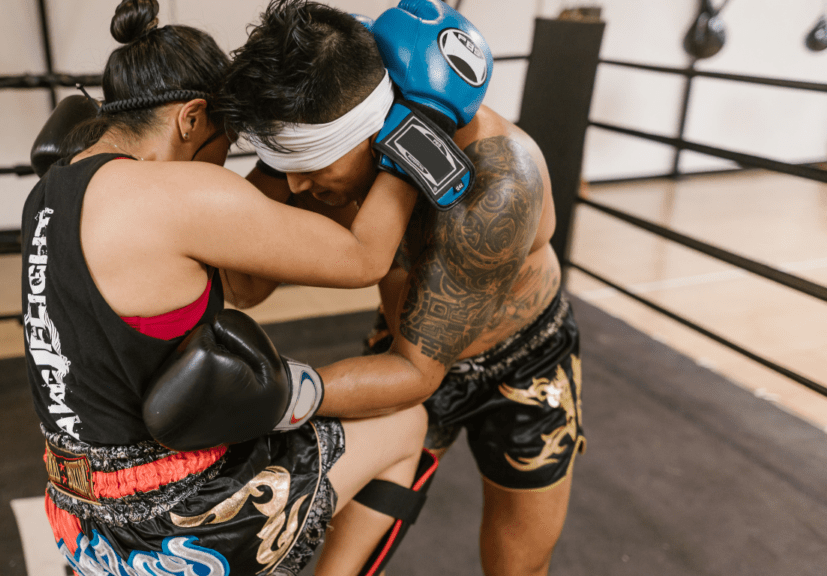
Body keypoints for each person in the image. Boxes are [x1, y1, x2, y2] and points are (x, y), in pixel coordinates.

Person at [20, 1, 434, 575]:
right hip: (173, 527)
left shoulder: (47, 193)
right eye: (230, 137)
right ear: (191, 119)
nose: (228, 159)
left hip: (77, 523)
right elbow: (364, 257)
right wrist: (421, 119)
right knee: (406, 421)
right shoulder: (177, 193)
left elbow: (243, 286)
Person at [218, 1, 586, 575]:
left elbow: (419, 373)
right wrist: (275, 155)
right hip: (401, 345)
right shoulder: (331, 149)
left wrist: (266, 395)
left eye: (309, 160)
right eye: (280, 159)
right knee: (338, 567)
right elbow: (243, 286)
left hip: (524, 363)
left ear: (383, 124)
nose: (296, 182)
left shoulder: (498, 183)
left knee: (519, 567)